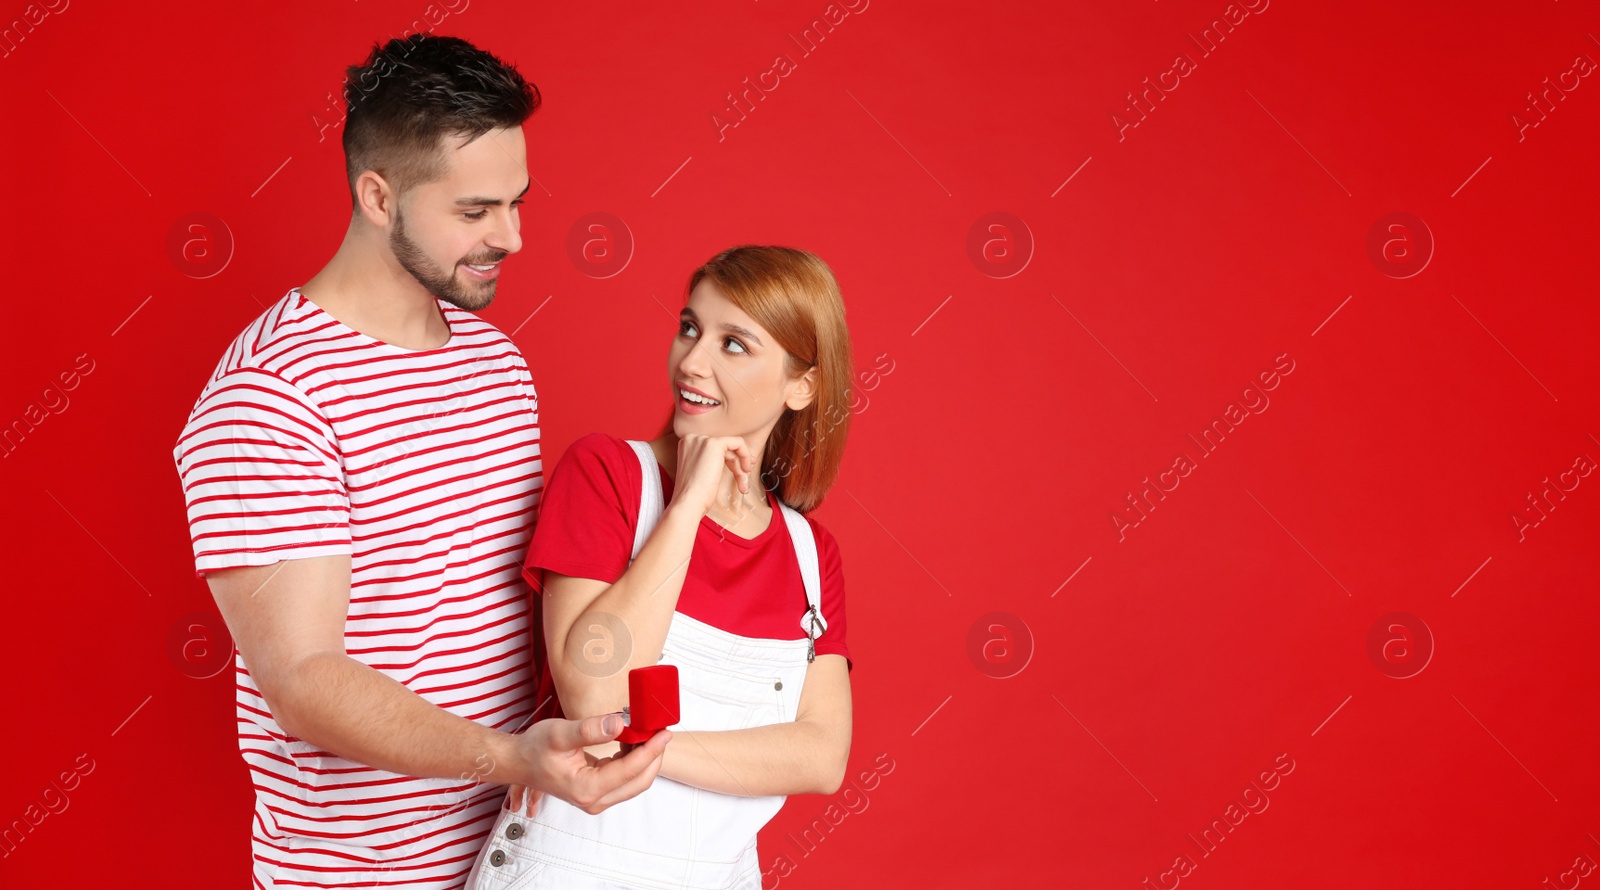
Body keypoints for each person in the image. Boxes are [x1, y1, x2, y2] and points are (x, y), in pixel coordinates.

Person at [171, 34, 669, 889]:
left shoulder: (494, 361)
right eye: (475, 212)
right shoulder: (270, 398)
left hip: (524, 855)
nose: (511, 237)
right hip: (361, 876)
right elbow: (305, 681)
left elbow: (522, 595)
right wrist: (512, 758)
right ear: (377, 194)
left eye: (517, 203)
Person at [465, 246, 856, 889]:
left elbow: (822, 757)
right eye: (690, 328)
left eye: (734, 344)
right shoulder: (606, 476)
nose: (691, 362)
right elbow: (594, 693)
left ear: (801, 386)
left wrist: (642, 746)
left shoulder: (811, 555)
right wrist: (687, 509)